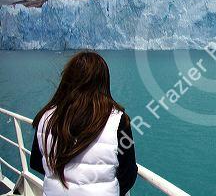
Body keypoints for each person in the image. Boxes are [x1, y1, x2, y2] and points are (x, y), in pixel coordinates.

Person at [30, 51, 138, 196]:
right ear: (103, 82)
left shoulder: (46, 117)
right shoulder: (119, 120)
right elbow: (129, 173)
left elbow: (36, 163)